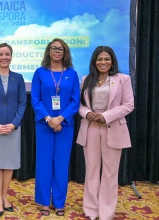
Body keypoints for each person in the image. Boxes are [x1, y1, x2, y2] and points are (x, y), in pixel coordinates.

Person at [76, 46, 134, 220]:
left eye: (106, 59)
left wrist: (106, 116)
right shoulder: (87, 79)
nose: (103, 62)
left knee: (109, 172)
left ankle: (106, 212)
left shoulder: (123, 79)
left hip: (113, 128)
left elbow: (128, 105)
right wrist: (87, 113)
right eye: (99, 59)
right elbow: (79, 105)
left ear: (112, 61)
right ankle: (91, 210)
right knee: (92, 170)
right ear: (94, 61)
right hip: (91, 128)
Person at [31, 38, 80, 217]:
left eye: (60, 49)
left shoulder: (72, 74)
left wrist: (60, 119)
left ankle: (59, 202)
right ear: (49, 51)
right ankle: (44, 202)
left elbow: (75, 101)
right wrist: (49, 118)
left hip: (65, 126)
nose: (57, 51)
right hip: (44, 125)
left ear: (65, 52)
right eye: (54, 48)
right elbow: (35, 99)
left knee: (61, 164)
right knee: (44, 164)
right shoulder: (40, 73)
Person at [0, 43, 27, 217]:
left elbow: (23, 103)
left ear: (11, 56)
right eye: (1, 54)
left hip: (13, 128)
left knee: (9, 164)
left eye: (7, 54)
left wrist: (14, 124)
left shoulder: (19, 77)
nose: (4, 57)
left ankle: (5, 196)